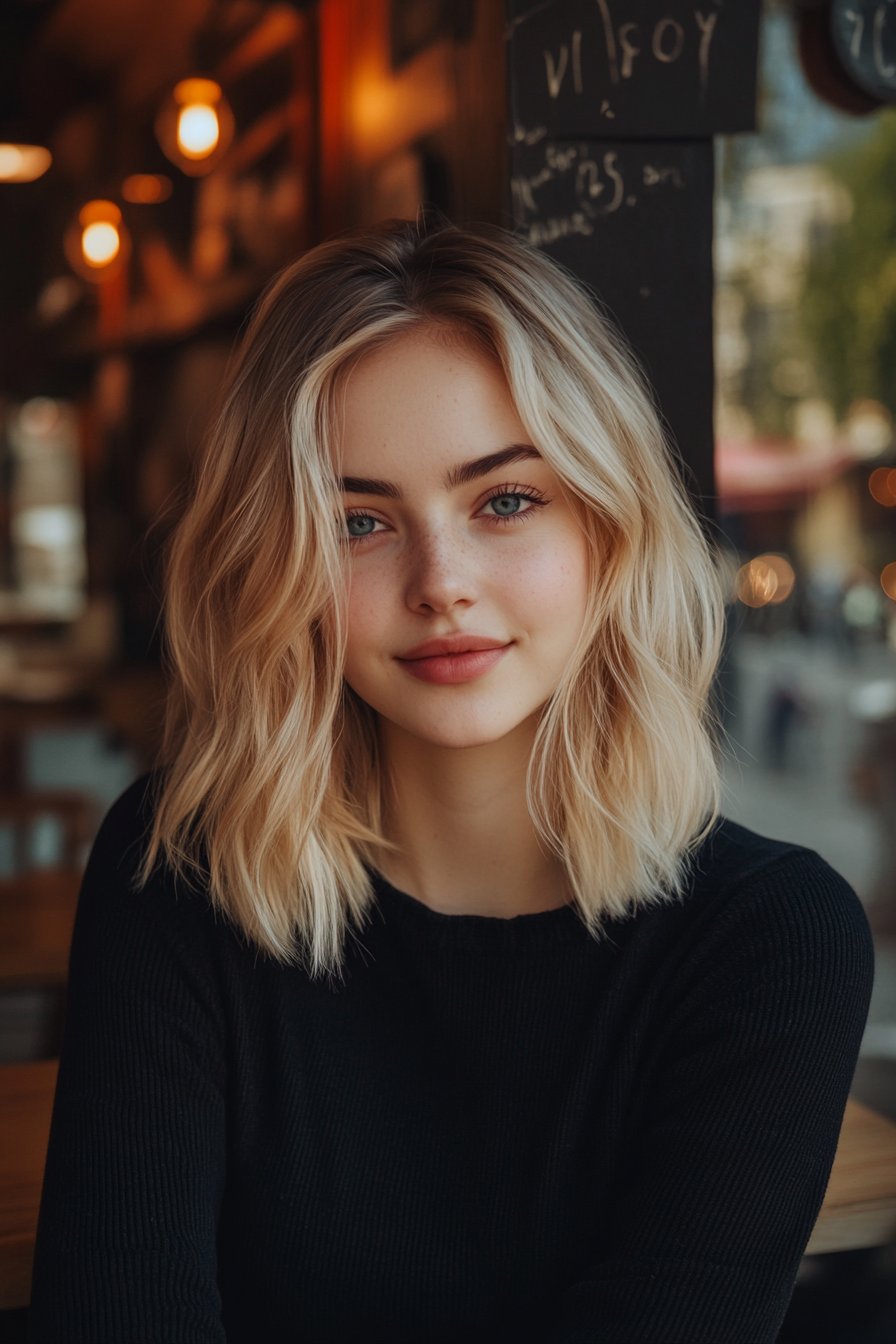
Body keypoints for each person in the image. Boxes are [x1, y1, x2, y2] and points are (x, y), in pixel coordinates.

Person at [30, 220, 873, 1344]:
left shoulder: (774, 943)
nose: (442, 585)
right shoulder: (179, 874)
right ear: (277, 561)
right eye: (360, 522)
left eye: (505, 500)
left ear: (606, 529)